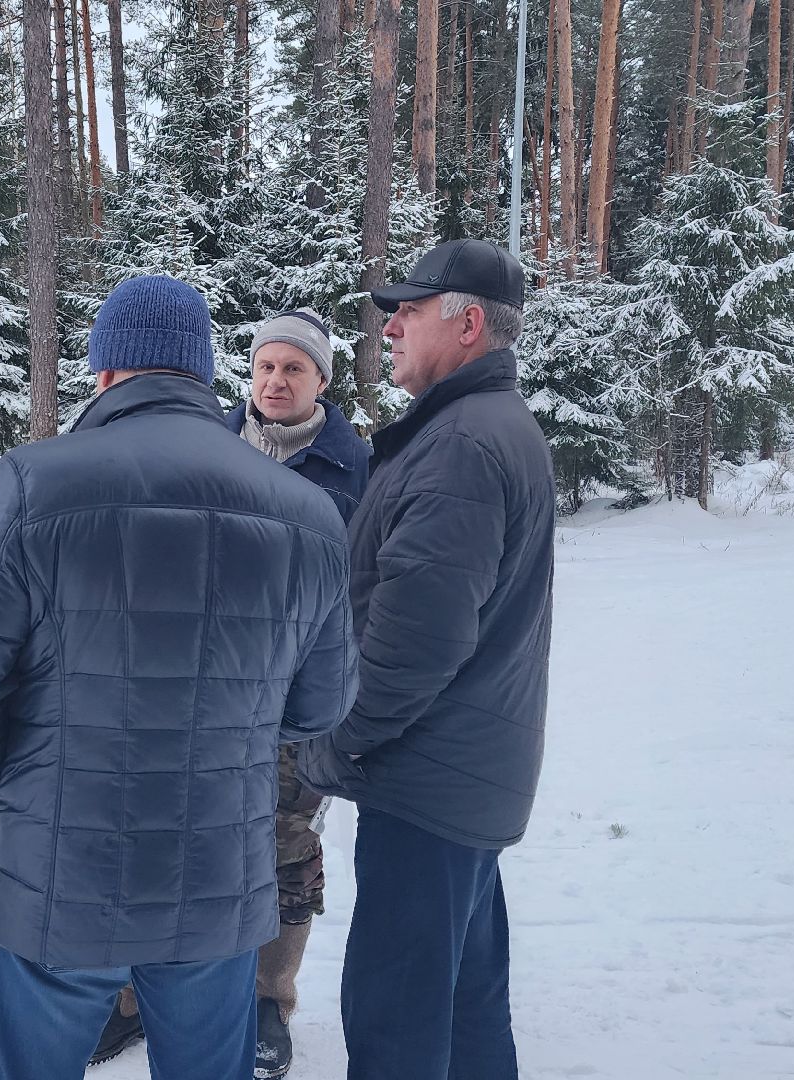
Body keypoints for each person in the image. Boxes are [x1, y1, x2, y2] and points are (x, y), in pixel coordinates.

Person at [0, 275, 358, 1080]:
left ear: (107, 371)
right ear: (204, 373)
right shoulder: (306, 514)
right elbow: (322, 701)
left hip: (58, 878)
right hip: (218, 875)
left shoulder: (35, 484)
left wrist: (8, 790)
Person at [87, 307, 371, 1077]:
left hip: (295, 702)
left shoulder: (353, 468)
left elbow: (361, 594)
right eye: (266, 366)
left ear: (322, 381)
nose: (276, 382)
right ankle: (139, 997)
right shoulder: (201, 442)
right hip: (194, 699)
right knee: (172, 843)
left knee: (281, 848)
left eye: (295, 370)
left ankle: (266, 1000)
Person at [298, 238, 556, 1080]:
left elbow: (414, 646)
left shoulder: (461, 448)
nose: (391, 328)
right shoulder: (475, 428)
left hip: (427, 786)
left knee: (398, 1022)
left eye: (408, 312)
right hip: (460, 781)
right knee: (467, 1008)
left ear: (470, 325)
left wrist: (333, 746)